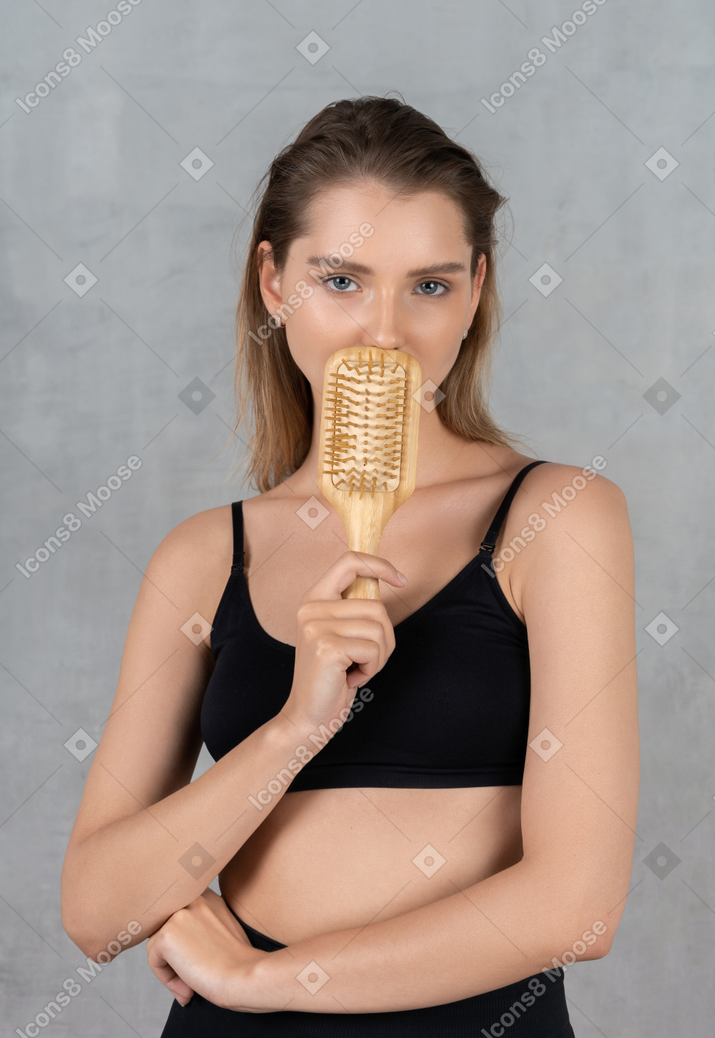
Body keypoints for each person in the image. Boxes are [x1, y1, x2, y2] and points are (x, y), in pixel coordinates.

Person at [61, 96, 639, 1037]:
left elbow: (578, 905)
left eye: (428, 285)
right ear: (273, 281)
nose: (384, 333)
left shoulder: (557, 518)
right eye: (341, 281)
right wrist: (295, 727)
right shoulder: (205, 555)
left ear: (476, 290)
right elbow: (96, 913)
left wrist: (268, 981)